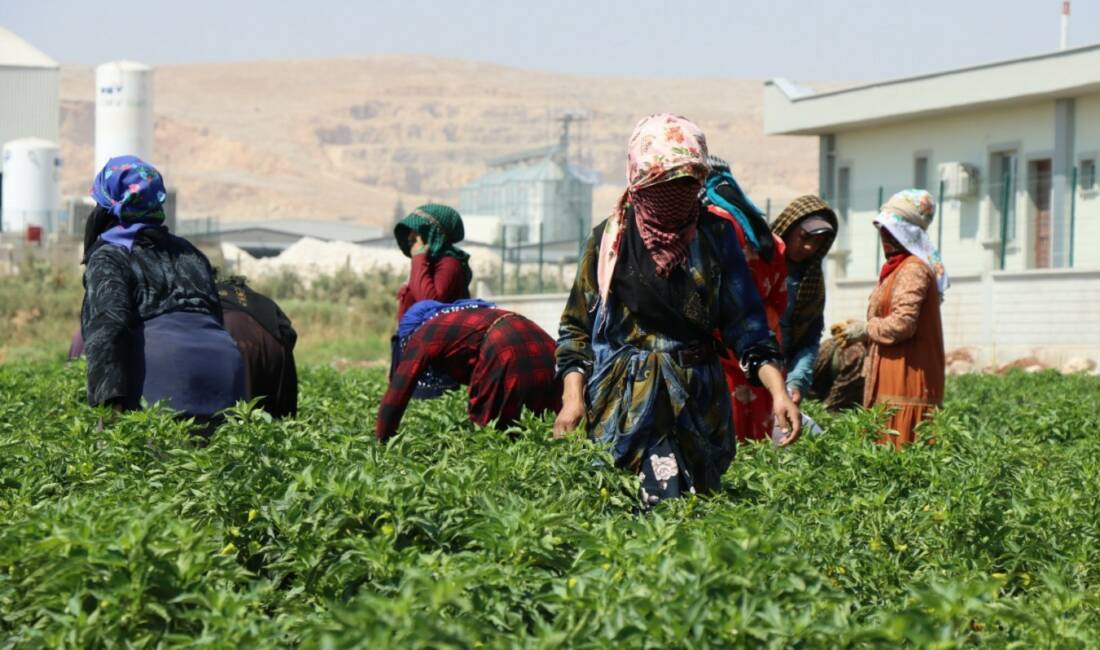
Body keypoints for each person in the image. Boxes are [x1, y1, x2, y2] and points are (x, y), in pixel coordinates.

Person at [554, 114, 800, 506]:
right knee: (632, 511)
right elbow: (575, 330)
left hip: (697, 404)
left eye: (686, 184)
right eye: (663, 185)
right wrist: (573, 398)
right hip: (623, 405)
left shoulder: (715, 238)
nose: (675, 197)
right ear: (639, 181)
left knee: (696, 516)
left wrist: (778, 391)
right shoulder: (609, 241)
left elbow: (748, 327)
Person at [81, 156, 244, 432]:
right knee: (213, 469)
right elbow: (216, 317)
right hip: (226, 375)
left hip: (165, 377)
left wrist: (110, 409)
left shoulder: (111, 256)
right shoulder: (190, 253)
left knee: (140, 467)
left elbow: (110, 324)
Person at [844, 190, 949, 448]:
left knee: (901, 449)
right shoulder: (898, 268)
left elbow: (903, 323)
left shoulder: (912, 269)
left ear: (907, 234)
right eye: (882, 231)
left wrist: (866, 329)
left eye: (890, 231)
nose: (884, 238)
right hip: (895, 373)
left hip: (908, 377)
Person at [376, 302, 561, 442]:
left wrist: (382, 441)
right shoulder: (464, 317)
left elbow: (398, 392)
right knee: (545, 426)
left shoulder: (423, 335)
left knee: (492, 435)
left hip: (504, 346)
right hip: (545, 344)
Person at [703, 156, 789, 443]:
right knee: (757, 442)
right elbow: (780, 300)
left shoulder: (710, 226)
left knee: (724, 439)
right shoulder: (763, 232)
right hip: (762, 346)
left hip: (720, 349)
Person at [391, 204, 473, 398]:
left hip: (432, 358)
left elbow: (429, 302)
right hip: (412, 350)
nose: (412, 238)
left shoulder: (449, 264)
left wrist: (419, 259)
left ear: (432, 234)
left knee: (427, 413)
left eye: (417, 233)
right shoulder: (428, 264)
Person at [770, 195, 838, 405]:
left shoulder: (812, 281)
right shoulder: (757, 267)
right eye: (804, 237)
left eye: (817, 243)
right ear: (788, 228)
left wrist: (797, 381)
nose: (809, 247)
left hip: (783, 377)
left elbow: (810, 337)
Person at [218, 276, 298, 418]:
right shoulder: (262, 303)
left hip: (234, 341)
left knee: (237, 419)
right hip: (275, 345)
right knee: (274, 420)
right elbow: (288, 333)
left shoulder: (212, 299)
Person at [808, 320, 868, 412]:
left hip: (848, 367)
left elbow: (836, 397)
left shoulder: (855, 354)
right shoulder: (827, 348)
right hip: (830, 362)